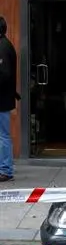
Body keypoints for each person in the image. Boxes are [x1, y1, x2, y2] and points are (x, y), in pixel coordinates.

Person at [0, 15, 19, 182]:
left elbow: (4, 74)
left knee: (3, 136)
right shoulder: (5, 45)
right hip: (4, 98)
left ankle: (5, 169)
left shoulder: (2, 47)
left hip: (2, 100)